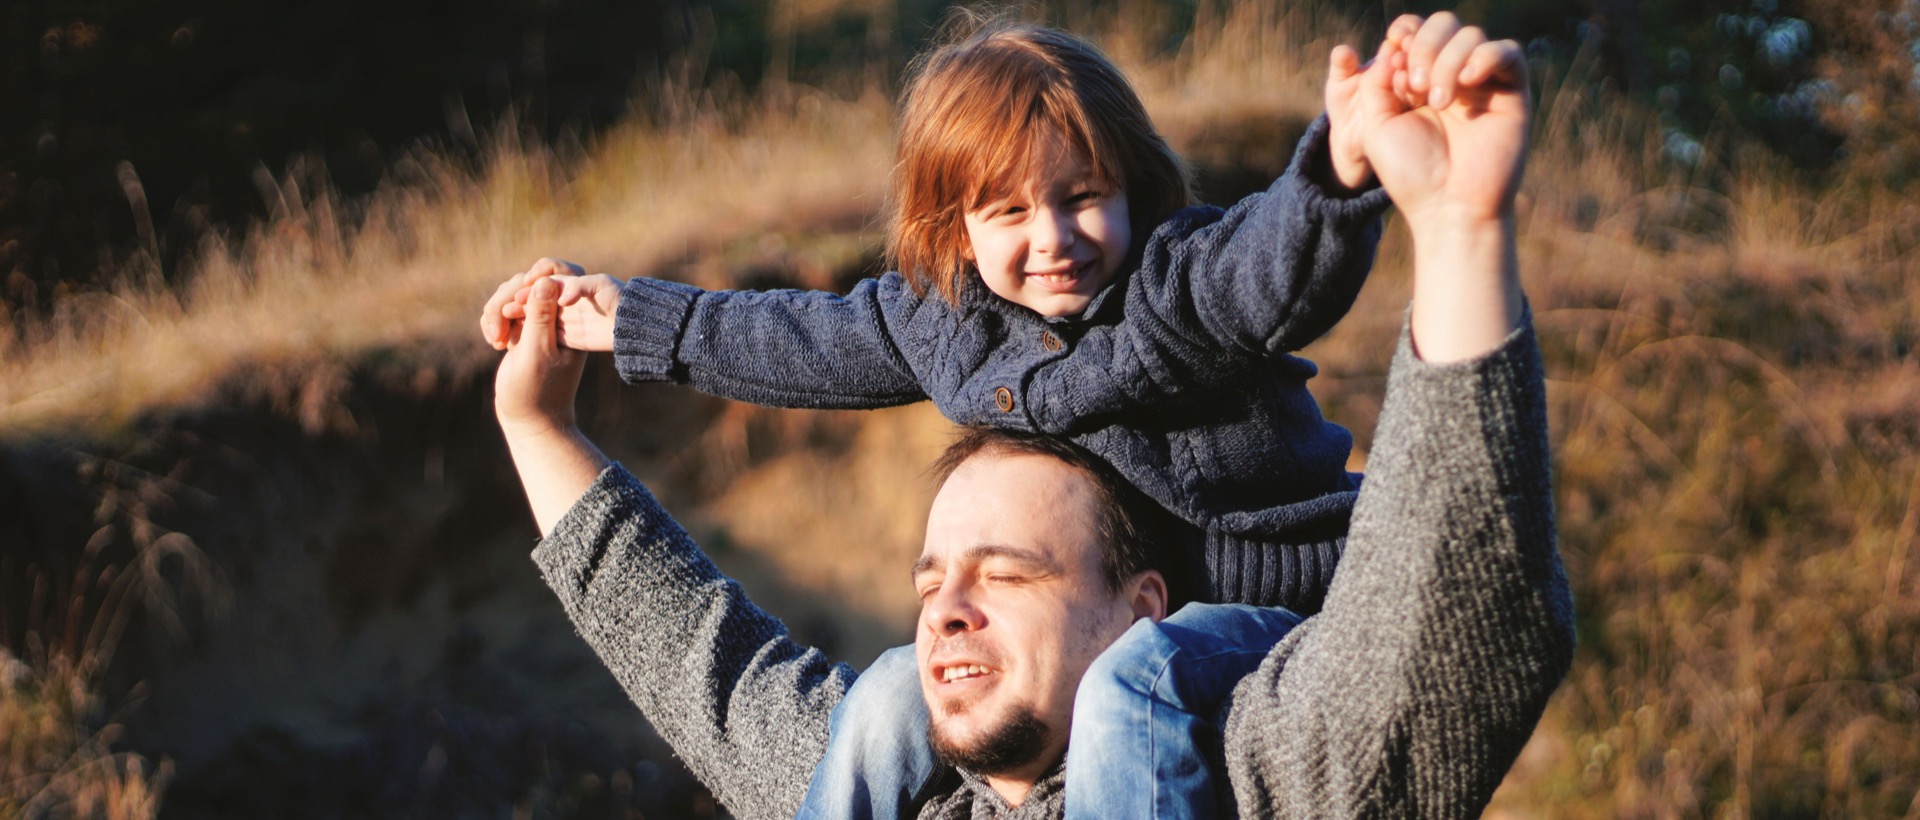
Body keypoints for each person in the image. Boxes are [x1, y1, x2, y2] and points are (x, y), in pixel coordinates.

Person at [491, 13, 1572, 819]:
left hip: (1264, 617)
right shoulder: (942, 327)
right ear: (954, 229)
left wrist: (1361, 180)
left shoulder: (1264, 762)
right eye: (931, 583)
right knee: (881, 695)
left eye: (1081, 196)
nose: (1052, 238)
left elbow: (1271, 268)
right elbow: (791, 345)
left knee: (1130, 691)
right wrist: (615, 338)